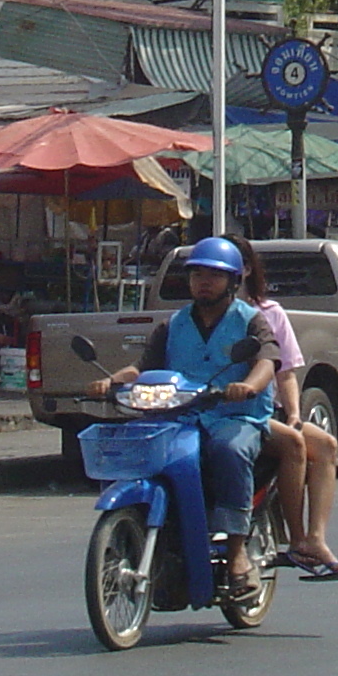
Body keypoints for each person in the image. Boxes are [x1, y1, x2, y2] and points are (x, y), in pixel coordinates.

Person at [86, 236, 281, 604]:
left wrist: (248, 386)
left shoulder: (250, 320)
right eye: (197, 275)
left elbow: (267, 361)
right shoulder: (173, 324)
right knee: (140, 451)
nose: (203, 282)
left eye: (213, 275)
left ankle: (237, 551)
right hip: (181, 416)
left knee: (230, 449)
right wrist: (111, 381)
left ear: (233, 281)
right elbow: (142, 367)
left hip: (233, 416)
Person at [231, 238, 338, 581]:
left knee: (325, 445)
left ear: (246, 270)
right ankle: (298, 538)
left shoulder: (267, 314)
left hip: (265, 409)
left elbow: (284, 373)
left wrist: (295, 413)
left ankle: (313, 539)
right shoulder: (190, 320)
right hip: (224, 413)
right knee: (294, 445)